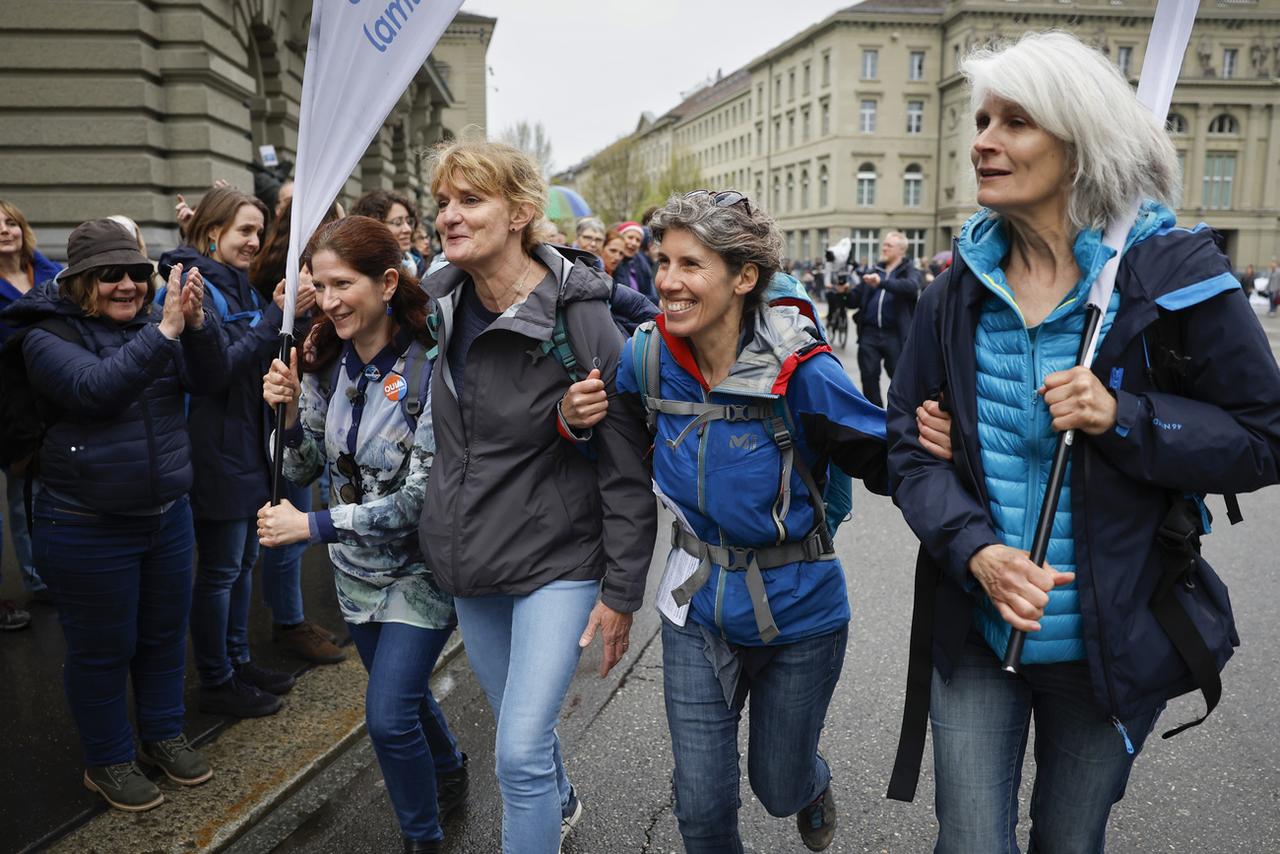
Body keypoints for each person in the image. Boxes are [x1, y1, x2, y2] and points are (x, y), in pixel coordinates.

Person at [885, 32, 1280, 852]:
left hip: (1113, 646)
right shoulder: (954, 292)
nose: (983, 139)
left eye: (1016, 122)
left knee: (1069, 841)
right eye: (983, 118)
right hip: (979, 626)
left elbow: (1262, 437)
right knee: (968, 842)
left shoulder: (1175, 279)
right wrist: (976, 552)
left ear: (1080, 143)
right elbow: (908, 452)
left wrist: (1124, 416)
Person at [561, 190, 889, 853]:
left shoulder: (805, 372)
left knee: (778, 784)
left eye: (691, 265)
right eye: (664, 261)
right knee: (702, 808)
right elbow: (617, 458)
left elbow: (893, 460)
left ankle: (811, 782)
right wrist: (572, 421)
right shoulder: (645, 357)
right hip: (695, 607)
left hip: (801, 612)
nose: (668, 282)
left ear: (744, 278)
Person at [420, 139, 656, 854]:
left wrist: (621, 592)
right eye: (442, 203)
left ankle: (542, 805)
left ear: (521, 213)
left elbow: (625, 465)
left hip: (558, 559)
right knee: (520, 729)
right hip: (471, 557)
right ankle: (560, 798)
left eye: (470, 200)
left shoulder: (580, 317)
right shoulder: (437, 304)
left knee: (518, 753)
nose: (449, 217)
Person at [1, 219, 229, 811]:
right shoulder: (44, 334)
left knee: (160, 637)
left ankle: (162, 735)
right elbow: (94, 390)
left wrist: (198, 328)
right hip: (84, 524)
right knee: (104, 649)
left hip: (166, 516)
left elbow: (210, 380)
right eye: (110, 276)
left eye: (137, 273)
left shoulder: (162, 325)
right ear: (81, 282)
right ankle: (107, 760)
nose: (127, 285)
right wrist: (168, 330)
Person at [258, 216, 466, 854]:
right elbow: (300, 467)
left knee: (385, 716)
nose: (328, 300)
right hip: (356, 576)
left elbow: (417, 501)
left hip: (420, 572)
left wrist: (312, 525)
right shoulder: (324, 363)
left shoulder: (432, 369)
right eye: (319, 286)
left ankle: (421, 839)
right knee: (399, 699)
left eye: (342, 283)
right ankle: (451, 769)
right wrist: (289, 415)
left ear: (386, 282)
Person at [159, 186, 314, 719]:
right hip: (215, 447)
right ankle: (218, 678)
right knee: (222, 569)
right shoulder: (200, 288)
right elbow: (216, 369)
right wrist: (273, 319)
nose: (254, 241)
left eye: (258, 231)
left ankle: (239, 661)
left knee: (243, 562)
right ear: (211, 234)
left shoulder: (238, 286)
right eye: (244, 231)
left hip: (244, 442)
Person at [247, 198, 347, 665]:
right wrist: (291, 312)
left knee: (297, 516)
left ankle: (293, 615)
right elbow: (259, 350)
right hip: (272, 415)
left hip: (305, 411)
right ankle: (287, 624)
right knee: (284, 526)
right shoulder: (274, 281)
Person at [0, 200, 60, 626]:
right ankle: (37, 579)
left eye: (10, 222)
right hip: (9, 405)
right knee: (22, 497)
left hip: (54, 397)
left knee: (54, 491)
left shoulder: (52, 273)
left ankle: (58, 570)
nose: (5, 230)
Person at [850, 231, 922, 408]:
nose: (884, 248)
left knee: (899, 380)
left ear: (901, 250)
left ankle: (896, 418)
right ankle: (876, 417)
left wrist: (881, 282)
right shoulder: (875, 270)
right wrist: (842, 292)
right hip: (870, 333)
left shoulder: (909, 270)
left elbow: (912, 287)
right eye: (884, 244)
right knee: (868, 377)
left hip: (895, 335)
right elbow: (854, 300)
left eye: (889, 245)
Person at [352, 190, 423, 278]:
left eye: (409, 221)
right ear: (375, 226)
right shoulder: (365, 271)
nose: (407, 229)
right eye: (397, 222)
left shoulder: (416, 264)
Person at [612, 220, 658, 303]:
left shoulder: (641, 264)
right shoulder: (613, 262)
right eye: (630, 237)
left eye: (638, 240)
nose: (634, 243)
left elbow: (647, 292)